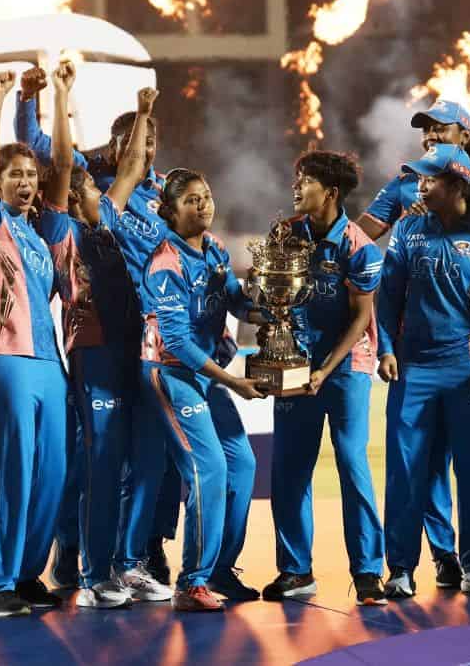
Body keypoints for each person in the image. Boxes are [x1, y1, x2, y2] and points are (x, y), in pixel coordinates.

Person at [15, 67, 179, 587]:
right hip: (95, 344)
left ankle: (139, 552)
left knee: (150, 453)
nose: (145, 150)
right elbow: (49, 152)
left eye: (152, 141)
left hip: (146, 342)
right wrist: (39, 97)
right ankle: (78, 553)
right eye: (136, 142)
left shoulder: (160, 200)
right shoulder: (82, 205)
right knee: (97, 454)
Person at [377, 144, 470, 600]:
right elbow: (386, 295)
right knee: (406, 472)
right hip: (412, 371)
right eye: (420, 179)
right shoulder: (409, 229)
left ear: (457, 184)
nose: (421, 186)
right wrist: (386, 348)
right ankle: (401, 569)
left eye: (430, 179)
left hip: (466, 371)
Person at [355, 99, 470, 588]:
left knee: (450, 464)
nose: (429, 136)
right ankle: (407, 564)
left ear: (464, 135)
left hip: (465, 356)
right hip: (412, 355)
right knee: (411, 463)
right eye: (425, 129)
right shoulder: (405, 185)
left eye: (440, 129)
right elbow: (359, 236)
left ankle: (462, 556)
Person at [137, 168, 267, 611]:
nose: (203, 204)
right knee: (207, 467)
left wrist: (270, 311)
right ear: (171, 212)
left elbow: (234, 298)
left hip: (204, 375)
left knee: (243, 464)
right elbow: (174, 340)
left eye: (206, 195)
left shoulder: (213, 249)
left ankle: (219, 570)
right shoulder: (165, 262)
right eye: (191, 200)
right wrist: (231, 380)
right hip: (172, 374)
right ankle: (190, 584)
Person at [264, 151, 386, 606]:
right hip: (294, 366)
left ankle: (369, 571)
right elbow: (274, 297)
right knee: (289, 468)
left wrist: (323, 371)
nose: (297, 187)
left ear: (331, 193)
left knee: (353, 464)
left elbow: (360, 320)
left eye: (307, 181)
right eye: (296, 178)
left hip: (346, 367)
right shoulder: (285, 234)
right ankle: (295, 572)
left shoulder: (359, 247)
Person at [0, 69, 69, 617]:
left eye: (30, 174)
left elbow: (64, 167)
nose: (25, 182)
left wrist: (54, 97)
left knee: (53, 470)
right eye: (14, 175)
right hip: (3, 355)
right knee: (16, 467)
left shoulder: (40, 233)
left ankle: (29, 573)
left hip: (48, 361)